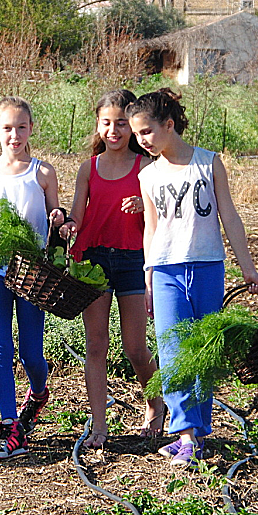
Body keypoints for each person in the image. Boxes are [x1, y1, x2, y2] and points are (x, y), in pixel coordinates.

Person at [126, 88, 258, 469]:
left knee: (204, 350)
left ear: (169, 125)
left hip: (207, 267)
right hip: (166, 271)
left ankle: (197, 434)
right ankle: (185, 434)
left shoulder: (208, 163)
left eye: (146, 131)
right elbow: (151, 228)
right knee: (173, 353)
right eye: (137, 134)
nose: (142, 140)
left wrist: (248, 267)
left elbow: (229, 216)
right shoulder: (148, 174)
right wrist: (148, 275)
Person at [59, 89, 164, 449]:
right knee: (96, 345)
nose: (114, 130)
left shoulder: (146, 166)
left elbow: (161, 216)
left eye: (121, 123)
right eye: (107, 123)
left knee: (135, 347)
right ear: (98, 125)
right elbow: (77, 214)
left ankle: (155, 404)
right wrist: (67, 225)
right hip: (95, 262)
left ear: (132, 126)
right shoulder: (89, 167)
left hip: (134, 260)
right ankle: (99, 426)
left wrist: (145, 205)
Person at [0, 97, 65, 460]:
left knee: (30, 353)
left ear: (31, 129)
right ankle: (10, 426)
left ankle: (38, 391)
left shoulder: (43, 172)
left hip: (32, 272)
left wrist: (59, 219)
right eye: (7, 128)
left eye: (21, 127)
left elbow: (55, 214)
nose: (14, 135)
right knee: (0, 346)